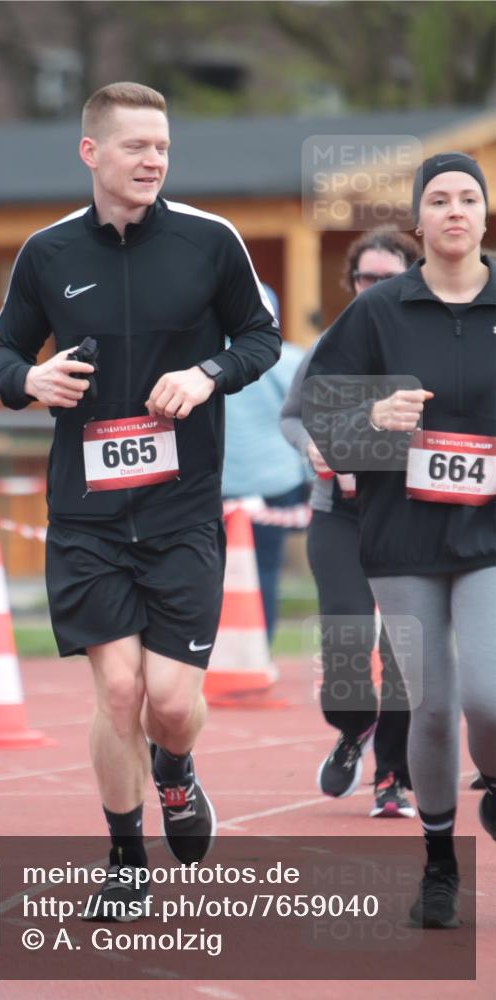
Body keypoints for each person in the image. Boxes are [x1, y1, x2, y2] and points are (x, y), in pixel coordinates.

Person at [0, 82, 281, 917]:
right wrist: (29, 379)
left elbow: (260, 336)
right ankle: (125, 857)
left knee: (172, 704)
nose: (153, 159)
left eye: (161, 147)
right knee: (117, 694)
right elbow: (1, 353)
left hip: (182, 506)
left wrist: (205, 372)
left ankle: (176, 772)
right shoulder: (45, 254)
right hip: (86, 516)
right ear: (91, 153)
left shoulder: (209, 242)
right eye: (135, 146)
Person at [303, 153, 495, 929]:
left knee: (486, 692)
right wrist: (370, 420)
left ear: (484, 217)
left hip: (488, 533)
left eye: (468, 199)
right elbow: (319, 418)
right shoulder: (378, 312)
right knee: (431, 706)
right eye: (438, 200)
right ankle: (440, 863)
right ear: (419, 223)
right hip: (402, 536)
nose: (453, 210)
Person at [281, 229, 420, 819]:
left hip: (412, 517)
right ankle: (353, 725)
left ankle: (393, 776)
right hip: (339, 515)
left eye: (390, 278)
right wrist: (312, 444)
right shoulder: (334, 343)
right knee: (344, 644)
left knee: (403, 655)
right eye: (367, 278)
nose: (376, 288)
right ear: (352, 282)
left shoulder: (429, 342)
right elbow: (293, 415)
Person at [222, 284, 308, 647]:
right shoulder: (288, 359)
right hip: (275, 478)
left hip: (219, 481)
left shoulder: (204, 361)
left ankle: (213, 655)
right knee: (266, 569)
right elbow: (306, 420)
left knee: (213, 574)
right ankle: (260, 652)